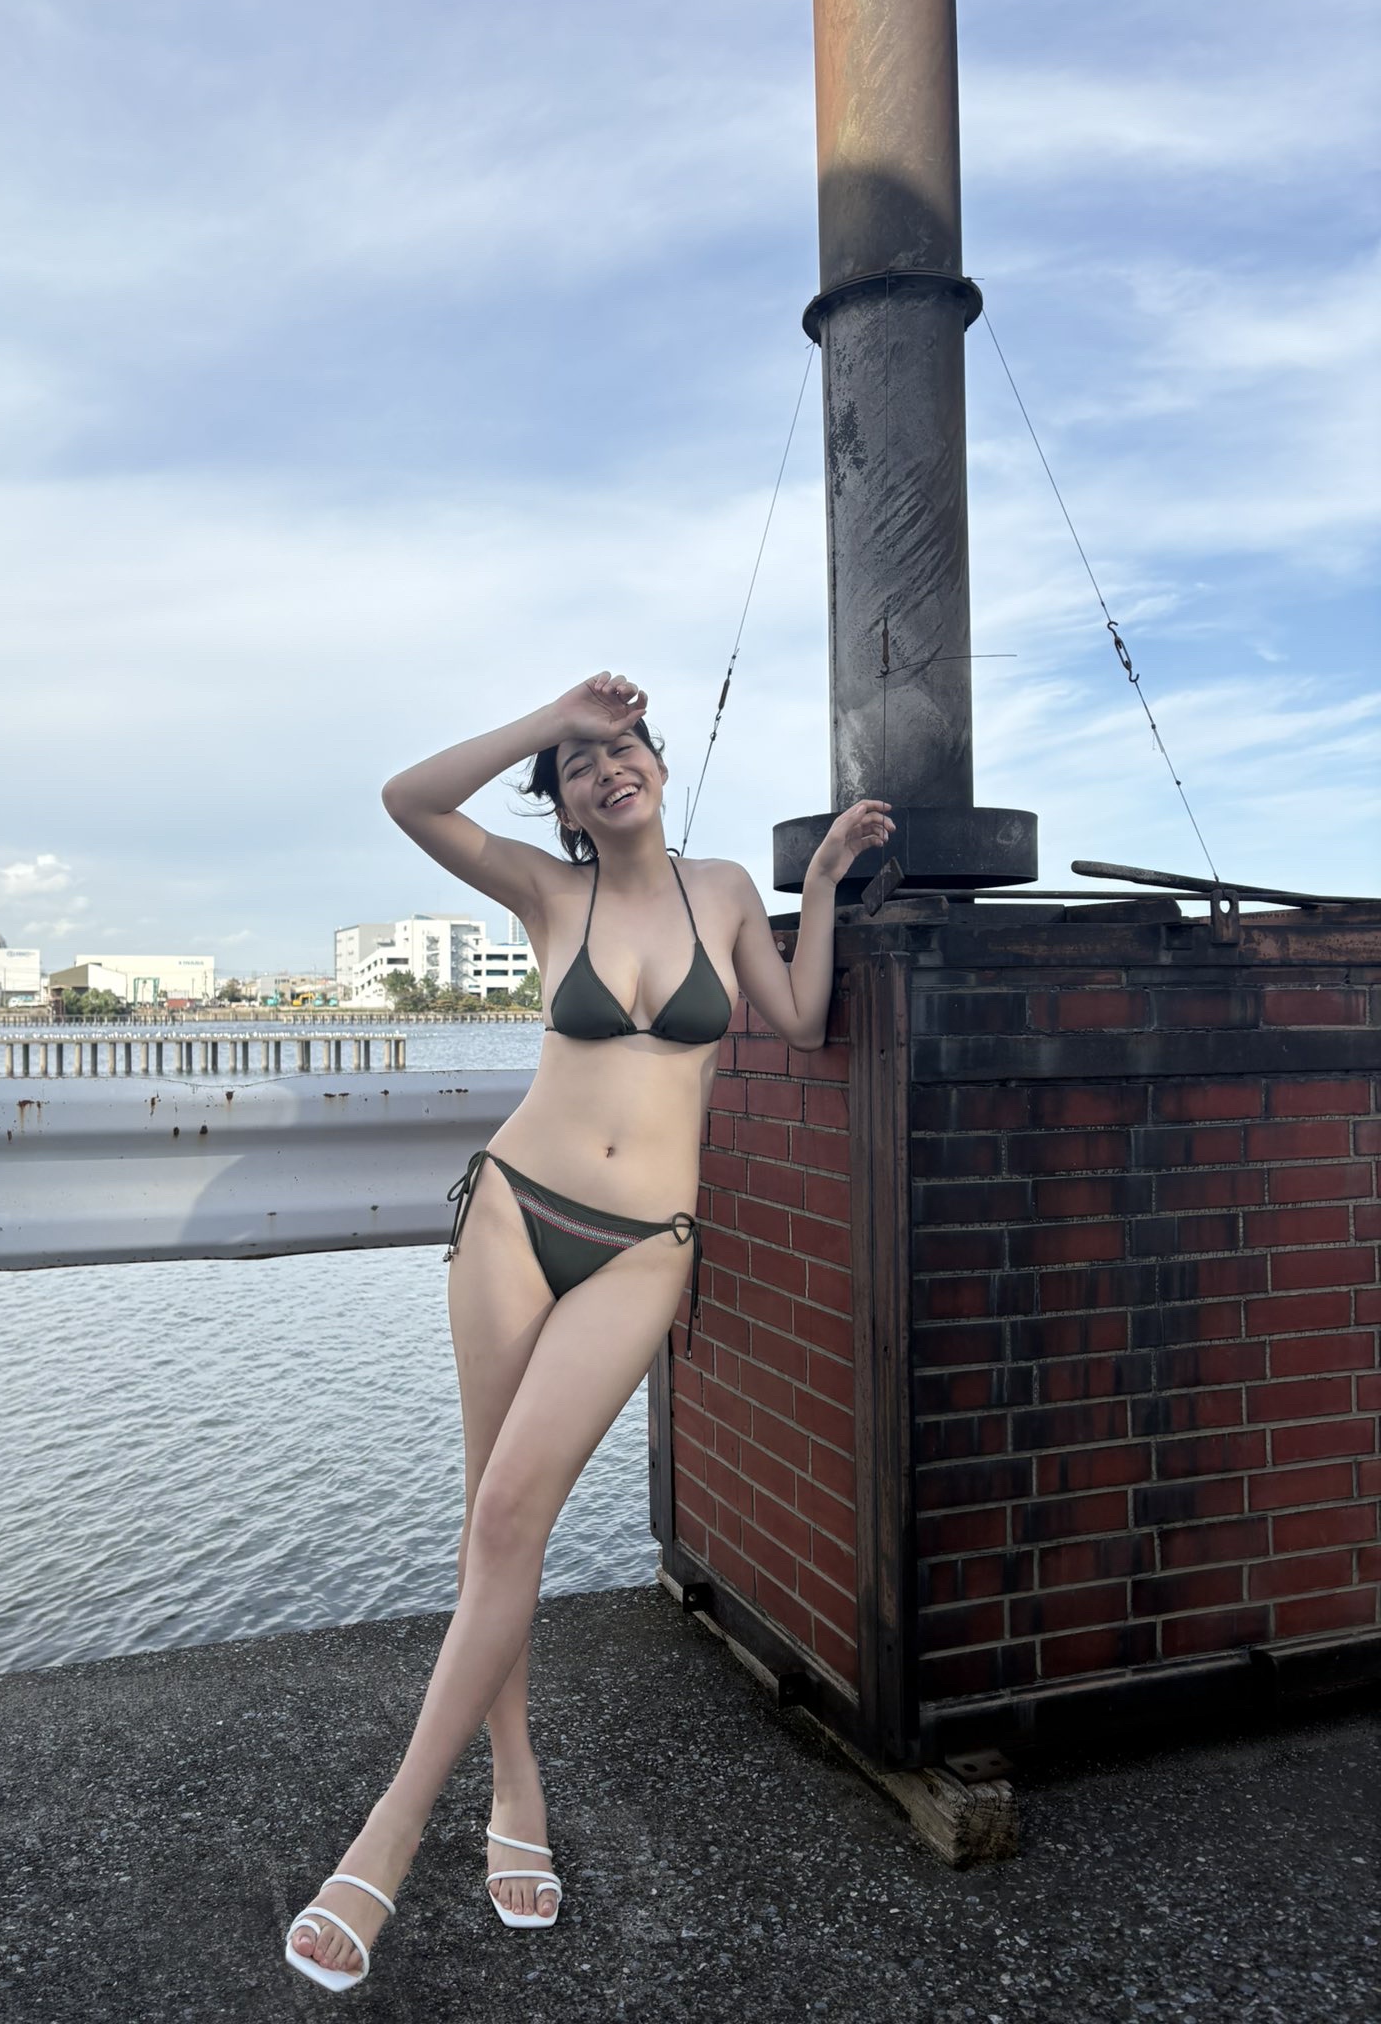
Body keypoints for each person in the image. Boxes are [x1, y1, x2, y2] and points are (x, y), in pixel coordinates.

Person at [284, 671, 893, 1993]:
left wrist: (826, 884)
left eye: (624, 749)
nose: (610, 768)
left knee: (513, 1513)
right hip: (515, 1215)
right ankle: (513, 1785)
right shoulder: (545, 893)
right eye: (582, 763)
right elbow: (407, 799)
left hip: (645, 1246)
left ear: (658, 767)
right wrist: (551, 714)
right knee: (491, 1520)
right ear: (563, 803)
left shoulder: (723, 891)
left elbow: (798, 1020)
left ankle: (389, 1833)